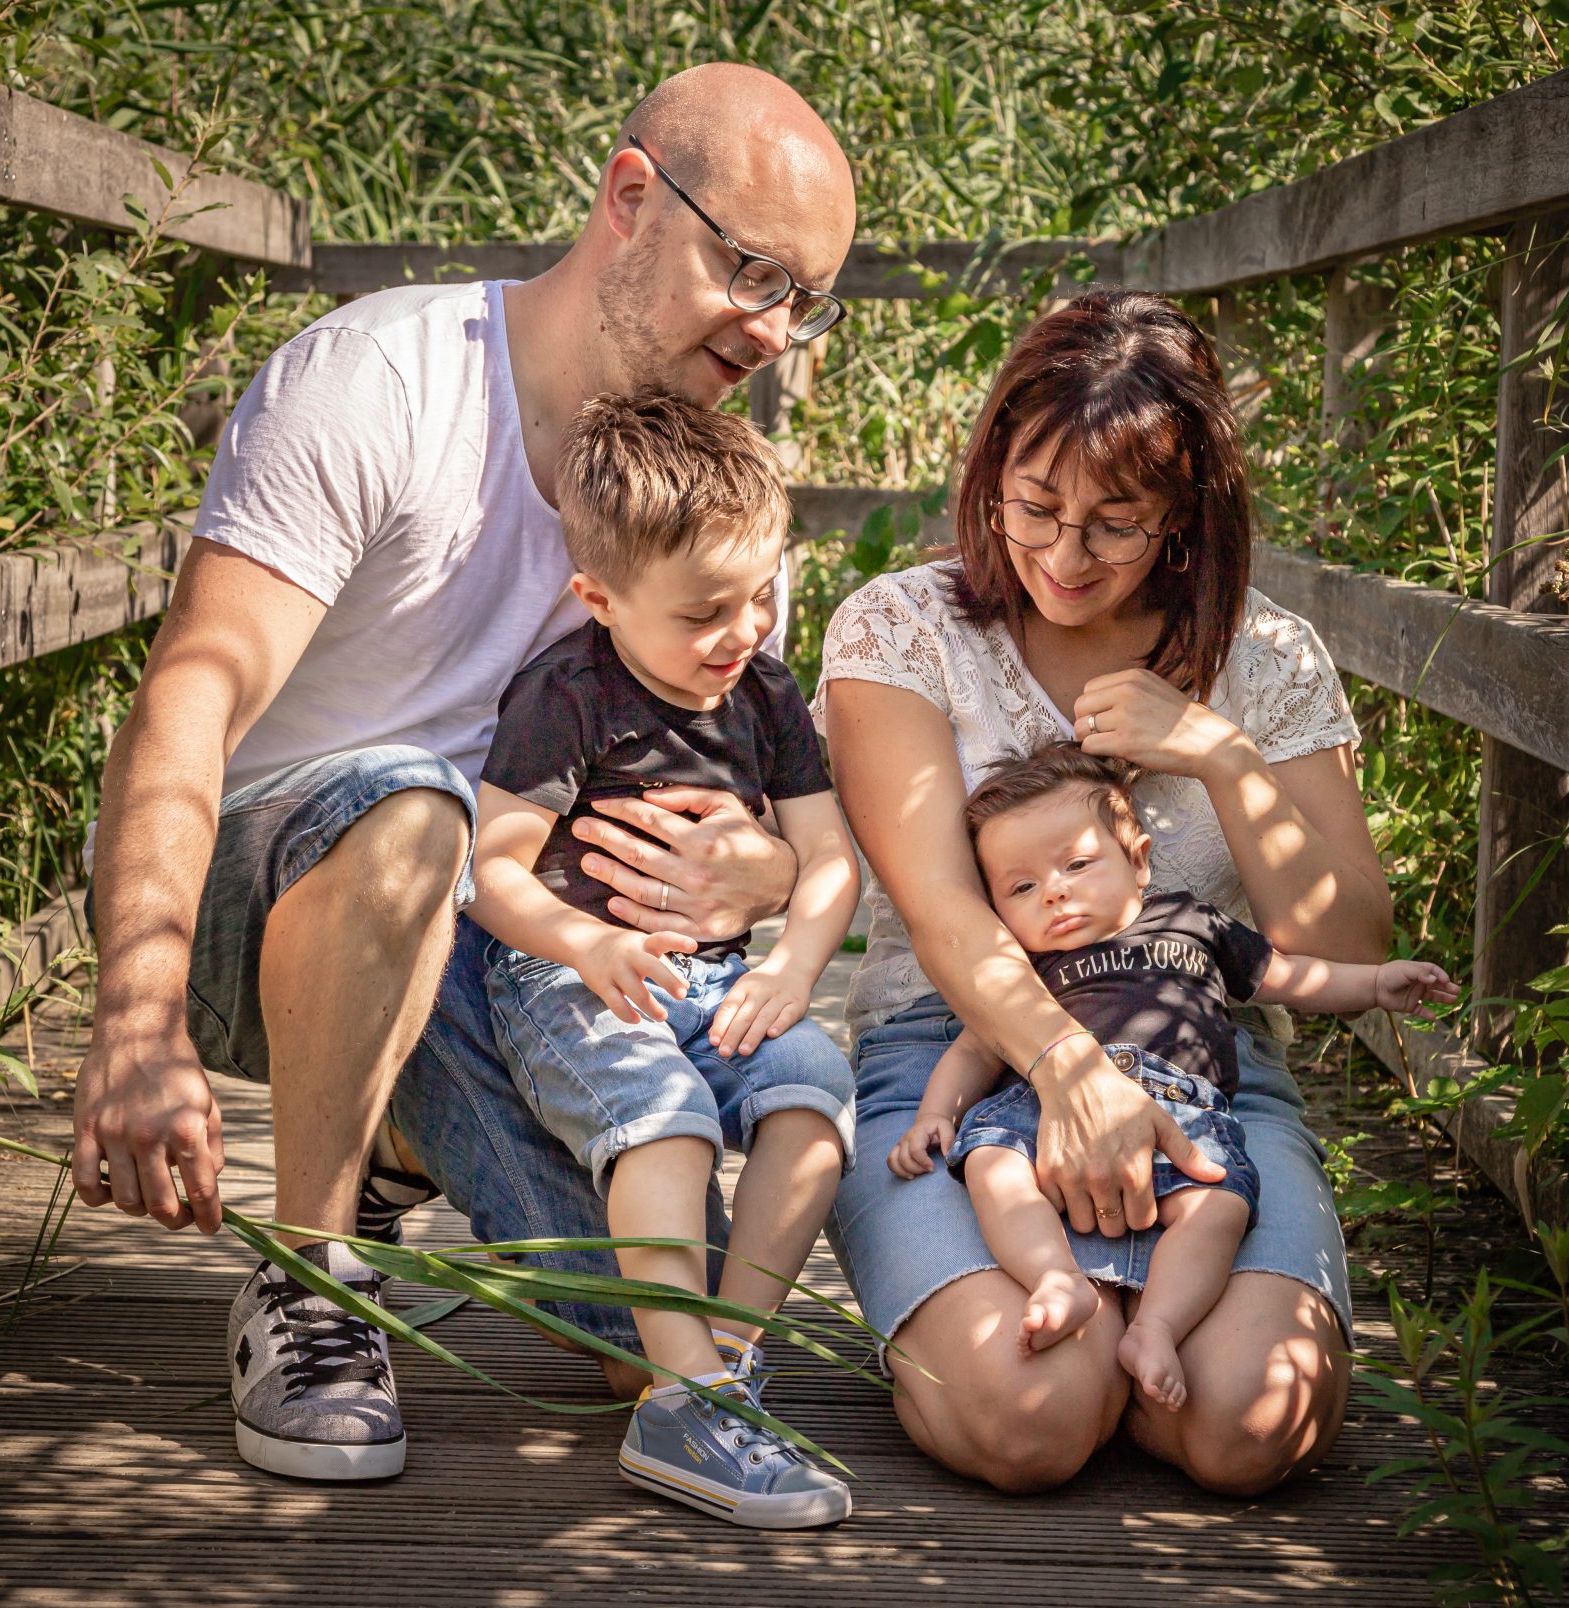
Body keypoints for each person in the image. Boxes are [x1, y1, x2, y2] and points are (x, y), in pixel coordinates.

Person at [70, 63, 858, 1482]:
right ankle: (309, 1277)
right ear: (630, 198)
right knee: (409, 805)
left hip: (499, 944)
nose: (774, 332)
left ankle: (397, 1153)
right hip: (263, 893)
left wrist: (774, 863)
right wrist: (135, 1013)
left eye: (806, 298)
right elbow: (190, 687)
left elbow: (739, 786)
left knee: (650, 1332)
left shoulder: (707, 502)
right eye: (751, 270)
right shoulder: (382, 380)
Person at [818, 290, 1395, 1496]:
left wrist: (1219, 754)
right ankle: (1078, 1363)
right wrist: (1072, 1077)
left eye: (1114, 524)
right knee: (1028, 1421)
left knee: (1255, 1423)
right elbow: (941, 913)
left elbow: (1344, 941)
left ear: (1185, 516)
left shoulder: (1268, 658)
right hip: (954, 1052)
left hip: (1207, 1061)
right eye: (1033, 508)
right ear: (991, 480)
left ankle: (1125, 1347)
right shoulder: (902, 631)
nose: (1063, 558)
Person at [469, 393, 857, 1528]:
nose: (743, 631)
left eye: (762, 595)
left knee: (814, 1099)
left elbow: (829, 856)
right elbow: (493, 869)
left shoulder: (765, 693)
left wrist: (794, 970)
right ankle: (683, 1391)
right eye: (706, 613)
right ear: (600, 598)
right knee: (666, 1114)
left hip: (727, 977)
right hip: (573, 980)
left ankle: (724, 1367)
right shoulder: (569, 695)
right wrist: (584, 938)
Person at [887, 744, 1455, 1411]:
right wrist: (937, 1113)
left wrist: (1376, 983)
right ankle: (1056, 1279)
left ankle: (1155, 1327)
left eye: (1076, 863)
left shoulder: (1194, 923)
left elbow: (1288, 975)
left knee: (1221, 1203)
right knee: (988, 1159)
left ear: (1138, 860)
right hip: (1045, 1107)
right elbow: (976, 1051)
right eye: (1021, 887)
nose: (1055, 891)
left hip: (1185, 1109)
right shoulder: (1023, 967)